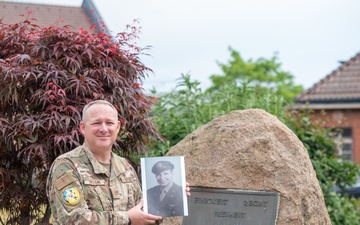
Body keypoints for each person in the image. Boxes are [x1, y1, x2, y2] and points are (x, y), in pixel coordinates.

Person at [46, 100, 190, 225]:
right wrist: (127, 218)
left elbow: (141, 215)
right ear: (83, 127)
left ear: (118, 127)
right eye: (96, 123)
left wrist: (171, 195)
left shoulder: (125, 166)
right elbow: (74, 219)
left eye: (109, 123)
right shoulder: (67, 166)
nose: (104, 129)